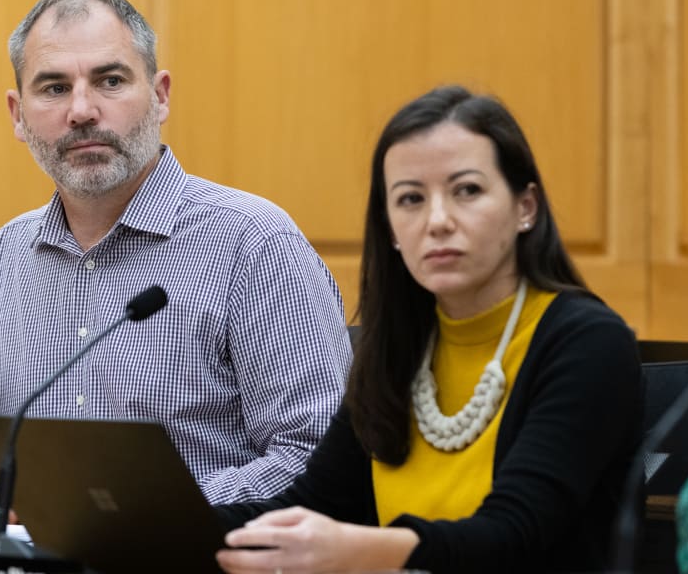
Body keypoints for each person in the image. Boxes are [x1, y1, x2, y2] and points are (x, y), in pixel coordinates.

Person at [0, 0, 352, 516]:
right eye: (52, 88)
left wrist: (125, 508)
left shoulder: (253, 243)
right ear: (17, 116)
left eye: (110, 81)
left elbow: (319, 459)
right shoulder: (9, 255)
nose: (82, 110)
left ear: (161, 96)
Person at [215, 85, 643, 573]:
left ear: (526, 207)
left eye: (467, 191)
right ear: (391, 229)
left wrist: (356, 552)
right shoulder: (399, 349)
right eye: (411, 199)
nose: (437, 221)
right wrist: (152, 526)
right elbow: (311, 509)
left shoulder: (587, 342)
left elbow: (517, 535)